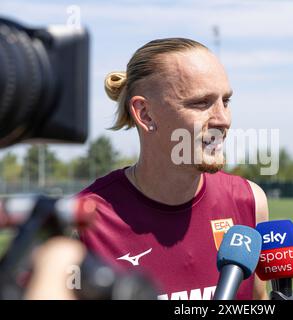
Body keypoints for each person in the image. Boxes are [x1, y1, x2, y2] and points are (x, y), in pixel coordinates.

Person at [77, 38, 269, 300]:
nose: (222, 119)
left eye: (226, 101)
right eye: (201, 103)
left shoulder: (249, 201)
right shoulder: (82, 221)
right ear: (145, 114)